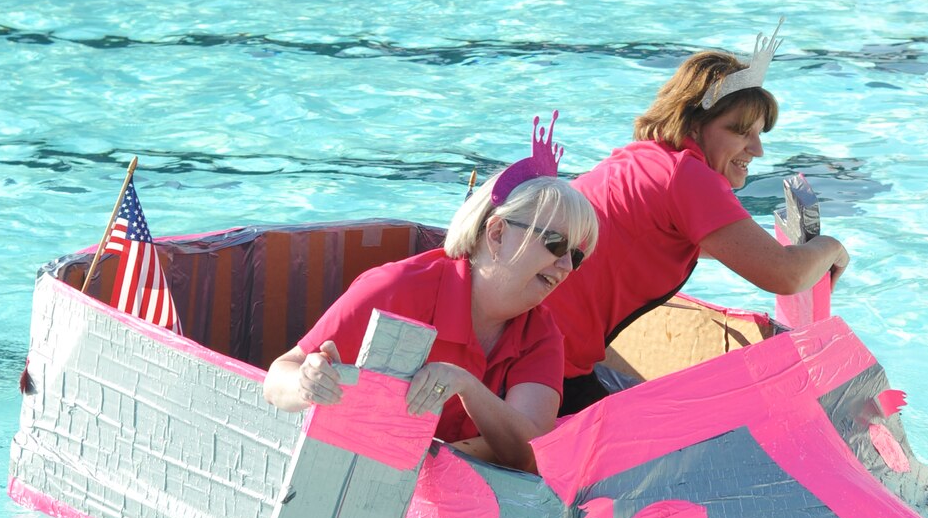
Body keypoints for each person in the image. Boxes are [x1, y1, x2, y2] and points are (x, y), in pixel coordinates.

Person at [264, 120, 598, 472]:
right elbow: (278, 377)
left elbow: (529, 454)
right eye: (555, 243)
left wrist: (465, 385)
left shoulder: (541, 334)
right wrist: (306, 384)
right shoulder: (396, 289)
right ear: (497, 234)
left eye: (575, 255)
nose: (565, 265)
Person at [545, 38, 849, 415]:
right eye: (740, 131)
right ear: (693, 123)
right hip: (541, 360)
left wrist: (781, 254)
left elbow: (682, 242)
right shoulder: (686, 176)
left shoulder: (647, 159)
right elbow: (784, 275)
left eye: (758, 133)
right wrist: (831, 247)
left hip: (526, 338)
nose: (757, 150)